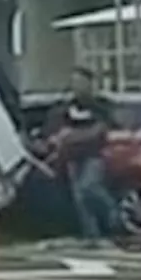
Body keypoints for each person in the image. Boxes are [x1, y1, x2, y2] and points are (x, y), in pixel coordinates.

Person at [51, 67, 118, 242]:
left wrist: (78, 135)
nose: (76, 86)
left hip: (93, 154)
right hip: (72, 156)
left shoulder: (100, 105)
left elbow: (107, 127)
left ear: (89, 83)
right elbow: (55, 129)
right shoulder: (67, 108)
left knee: (88, 186)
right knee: (80, 198)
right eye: (74, 82)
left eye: (80, 82)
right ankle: (91, 235)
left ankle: (111, 210)